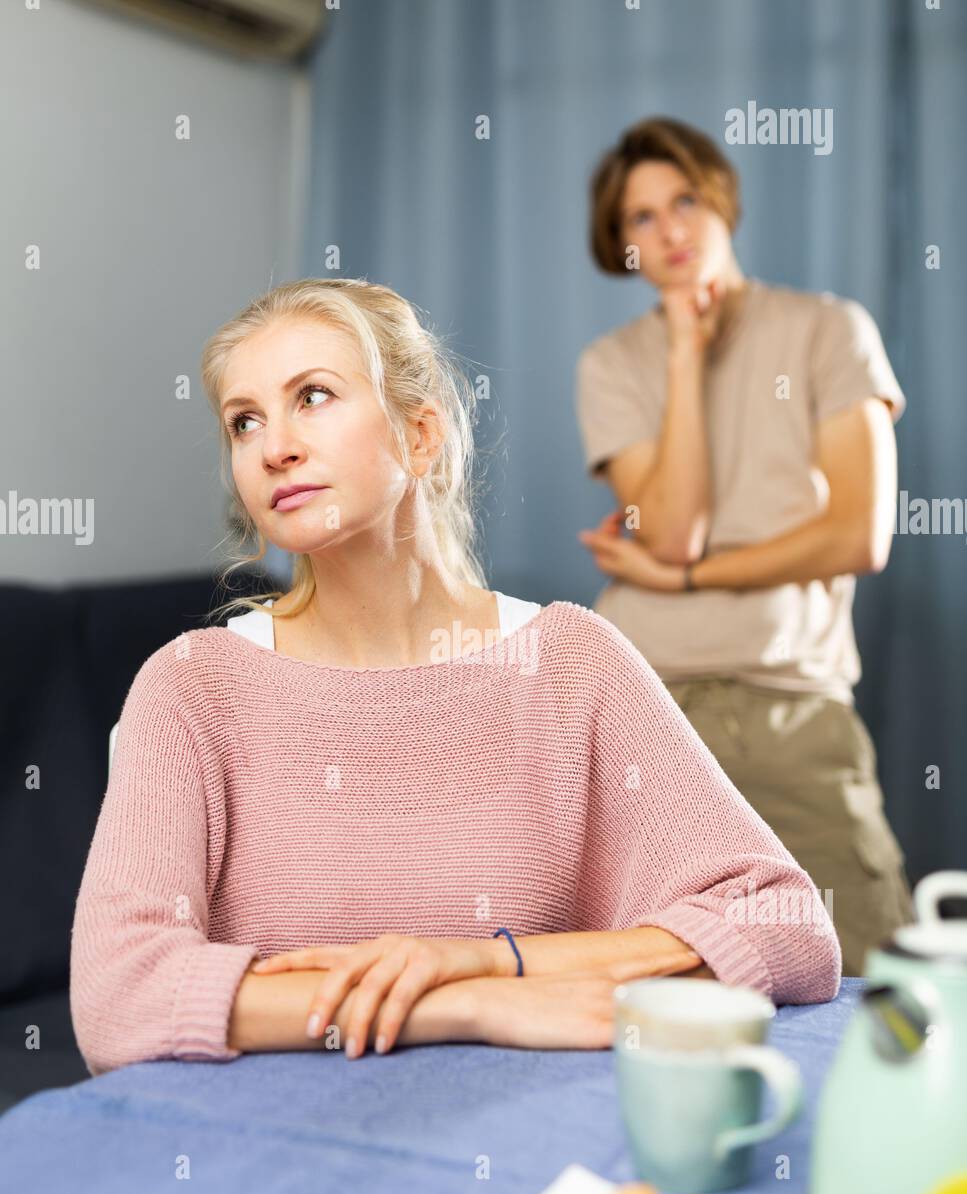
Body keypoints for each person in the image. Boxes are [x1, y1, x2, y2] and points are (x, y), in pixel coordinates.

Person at [70, 277, 840, 1078]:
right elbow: (117, 995)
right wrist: (463, 1004)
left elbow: (788, 924)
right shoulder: (190, 687)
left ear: (420, 435)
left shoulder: (572, 662)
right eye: (244, 421)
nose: (274, 448)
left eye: (315, 396)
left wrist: (491, 961)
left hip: (525, 1144)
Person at [575, 116, 912, 977]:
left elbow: (856, 535)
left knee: (870, 968)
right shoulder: (612, 363)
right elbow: (675, 522)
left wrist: (685, 578)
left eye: (682, 200)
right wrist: (685, 354)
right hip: (646, 708)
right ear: (619, 248)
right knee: (650, 981)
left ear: (720, 199)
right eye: (639, 219)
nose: (669, 230)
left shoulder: (828, 329)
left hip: (789, 708)